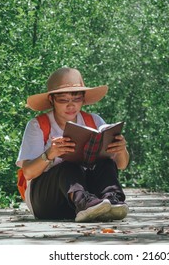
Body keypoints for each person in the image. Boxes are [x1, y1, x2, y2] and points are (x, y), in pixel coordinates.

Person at [16, 67, 130, 222]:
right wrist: (50, 154)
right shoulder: (38, 125)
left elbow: (121, 165)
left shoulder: (94, 121)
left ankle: (112, 201)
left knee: (106, 162)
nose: (71, 106)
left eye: (76, 99)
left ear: (83, 99)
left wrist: (121, 149)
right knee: (68, 166)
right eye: (63, 100)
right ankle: (84, 202)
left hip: (94, 202)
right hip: (48, 202)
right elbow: (28, 173)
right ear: (52, 100)